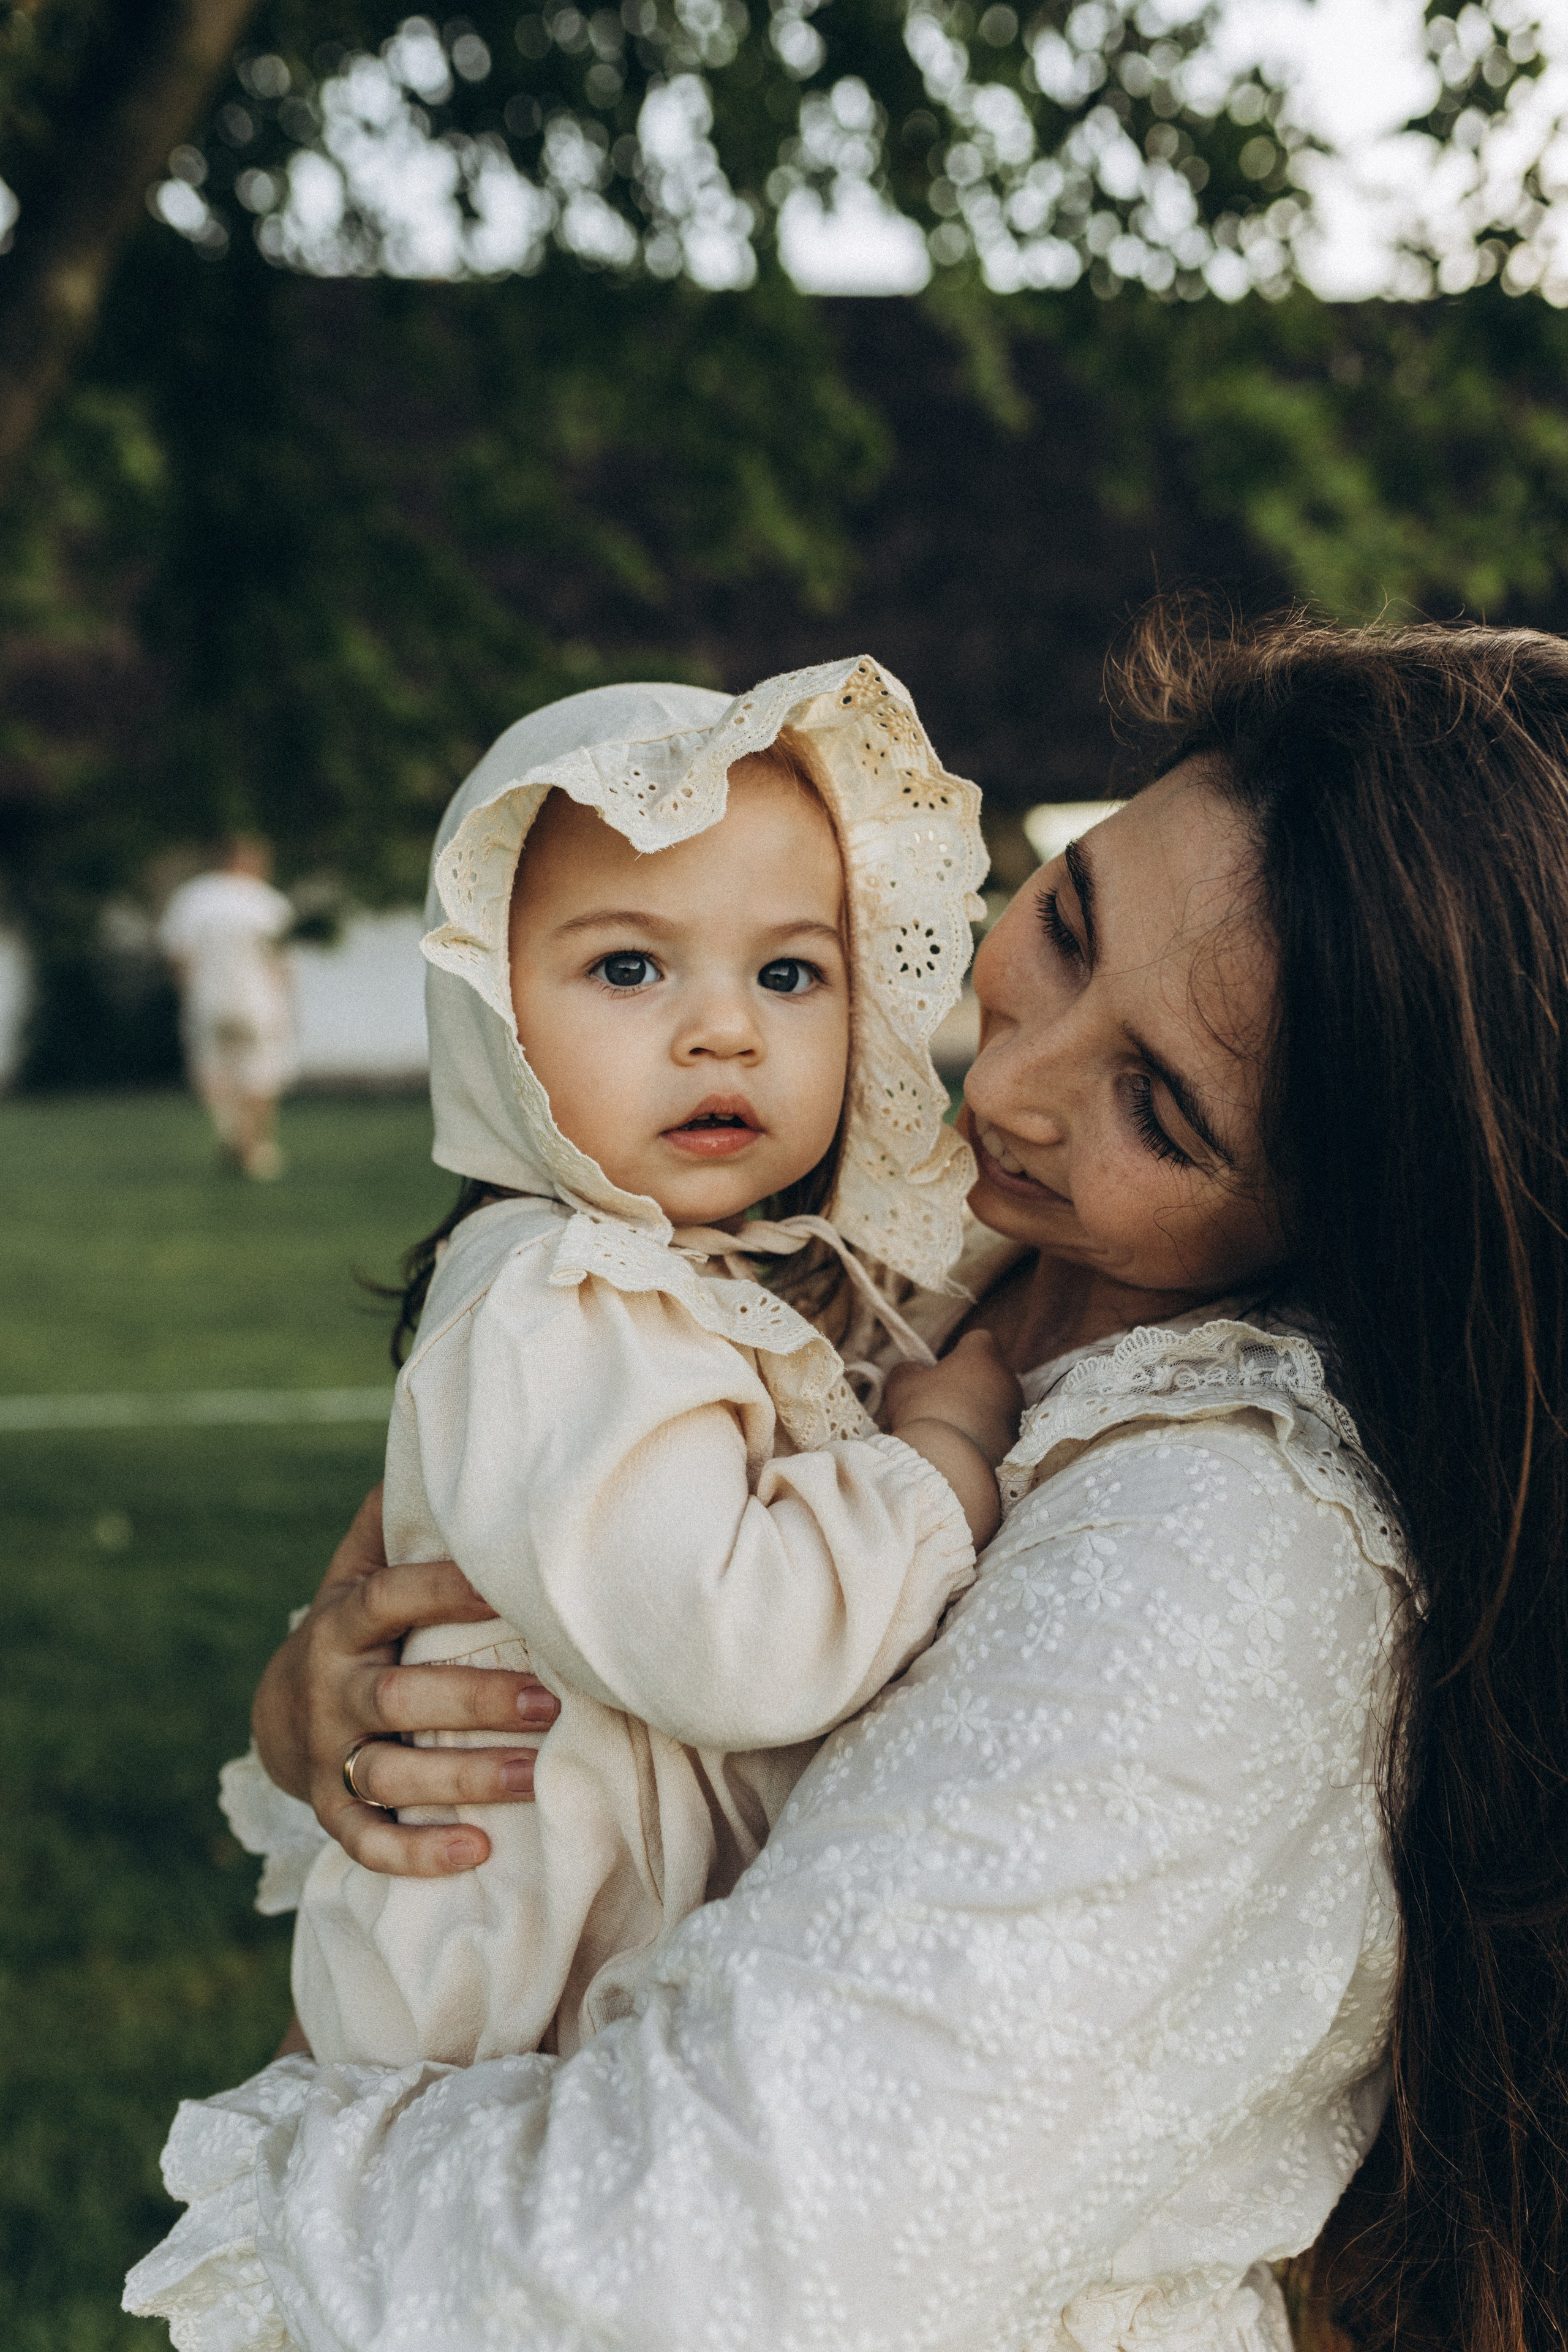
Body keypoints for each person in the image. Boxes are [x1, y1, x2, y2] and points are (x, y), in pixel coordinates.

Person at [127, 609, 1568, 2352]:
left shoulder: (1231, 1560)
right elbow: (501, 1580)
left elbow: (708, 2262)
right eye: (1067, 916)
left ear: (1371, 1218)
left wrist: (301, 2155)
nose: (1012, 1081)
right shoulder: (879, 1249)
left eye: (1164, 1113)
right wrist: (329, 1703)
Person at [278, 658, 1013, 2070]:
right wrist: (937, 1467)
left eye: (788, 971)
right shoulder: (560, 1299)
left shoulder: (678, 1277)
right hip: (523, 2014)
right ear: (489, 1008)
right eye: (628, 965)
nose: (724, 1027)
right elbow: (728, 1641)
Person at [157, 834, 297, 1180]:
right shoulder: (268, 901)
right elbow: (280, 963)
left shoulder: (193, 897)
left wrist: (189, 991)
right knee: (261, 1071)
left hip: (207, 999)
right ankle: (254, 1146)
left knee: (214, 1070)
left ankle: (234, 1135)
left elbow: (176, 956)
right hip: (258, 1000)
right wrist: (285, 1005)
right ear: (251, 861)